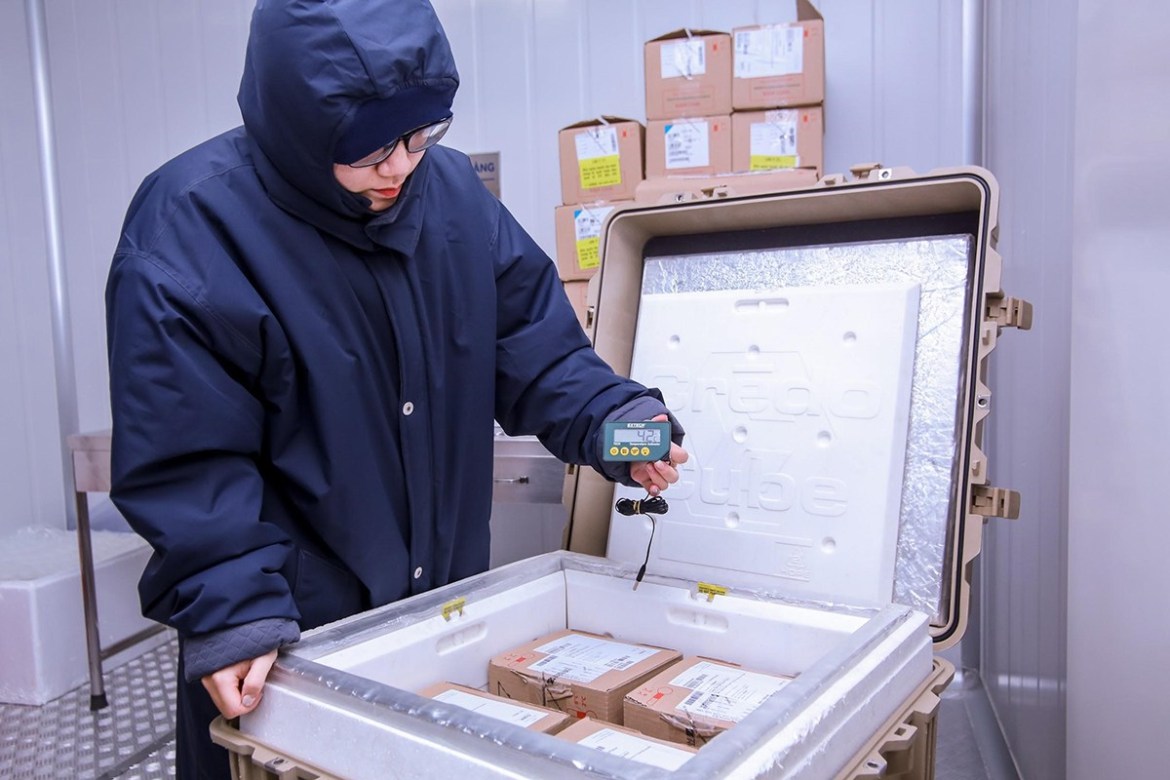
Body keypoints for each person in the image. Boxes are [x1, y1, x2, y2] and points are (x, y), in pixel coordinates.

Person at [104, 0, 687, 776]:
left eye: (419, 135)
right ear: (297, 129)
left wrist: (616, 420)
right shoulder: (191, 229)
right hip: (292, 643)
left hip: (442, 620)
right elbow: (190, 462)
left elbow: (539, 356)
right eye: (370, 146)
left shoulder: (450, 196)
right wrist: (231, 608)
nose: (400, 166)